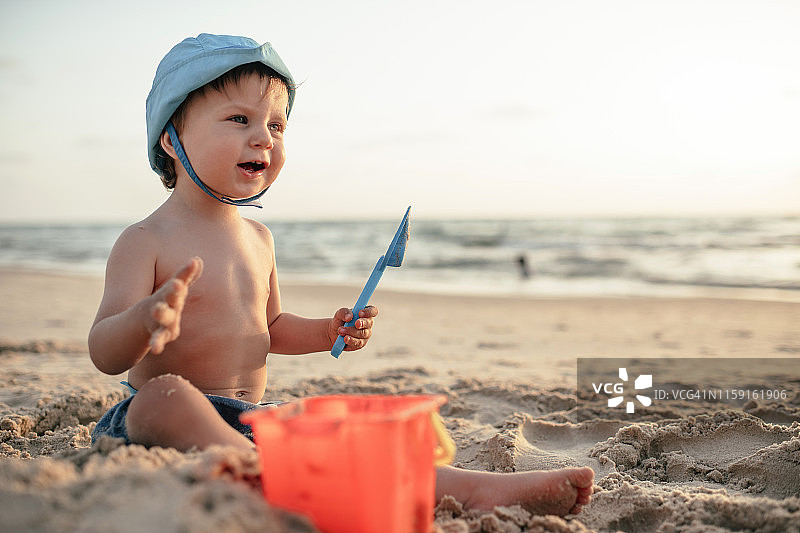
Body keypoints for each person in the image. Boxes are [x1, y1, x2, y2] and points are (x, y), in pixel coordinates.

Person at [88, 34, 593, 516]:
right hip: (164, 423)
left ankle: (470, 488)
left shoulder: (259, 239)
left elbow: (271, 328)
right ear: (171, 140)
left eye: (277, 126)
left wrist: (327, 331)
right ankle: (265, 473)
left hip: (252, 420)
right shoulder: (145, 241)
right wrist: (144, 320)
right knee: (167, 395)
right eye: (239, 119)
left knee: (335, 430)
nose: (263, 137)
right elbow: (105, 352)